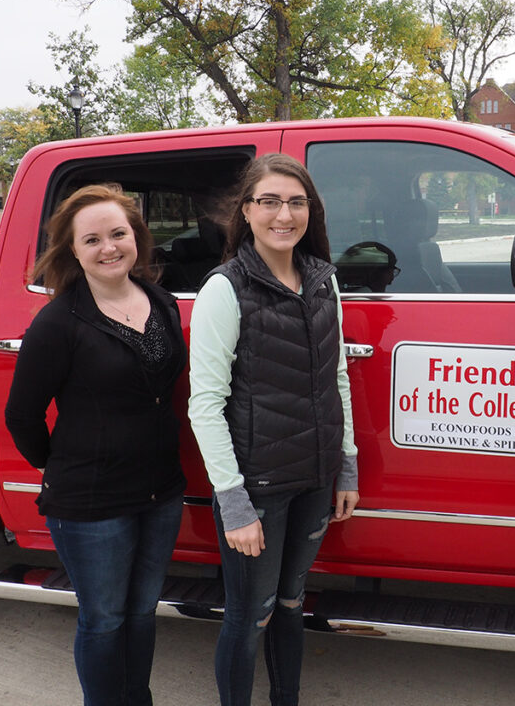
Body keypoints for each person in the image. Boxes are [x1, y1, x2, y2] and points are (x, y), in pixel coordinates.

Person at [5, 184, 187, 706]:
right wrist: (62, 465)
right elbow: (21, 415)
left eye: (118, 234)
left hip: (160, 493)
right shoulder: (59, 322)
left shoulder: (161, 302)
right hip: (90, 502)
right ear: (73, 251)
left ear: (136, 237)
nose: (108, 248)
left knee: (141, 610)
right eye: (92, 240)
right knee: (104, 618)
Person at [187, 153, 359, 706]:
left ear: (312, 210)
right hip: (256, 489)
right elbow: (204, 405)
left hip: (313, 477)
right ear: (246, 210)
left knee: (290, 603)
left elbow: (337, 377)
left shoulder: (321, 280)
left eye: (296, 202)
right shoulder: (225, 288)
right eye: (269, 201)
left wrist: (345, 463)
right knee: (249, 616)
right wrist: (233, 503)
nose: (284, 214)